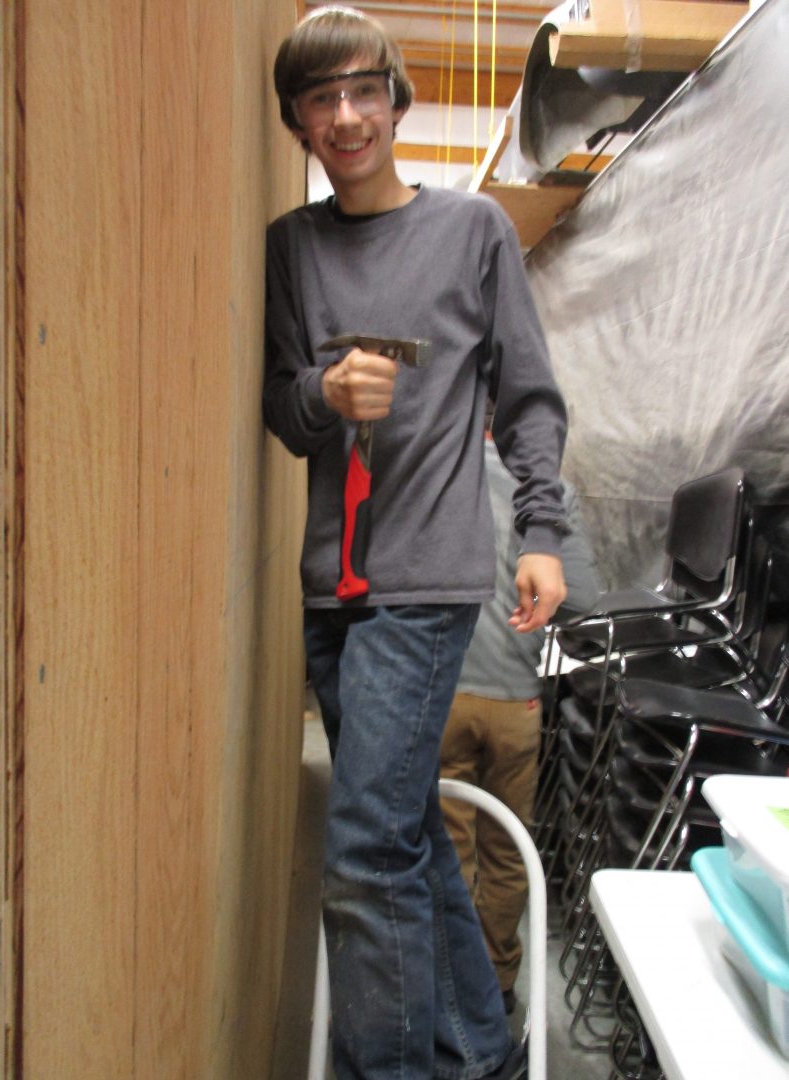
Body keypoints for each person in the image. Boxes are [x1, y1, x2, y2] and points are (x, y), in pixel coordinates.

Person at [264, 7, 569, 1078]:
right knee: (402, 834)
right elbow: (282, 409)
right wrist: (323, 390)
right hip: (331, 588)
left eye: (363, 91)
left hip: (427, 580)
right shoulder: (290, 249)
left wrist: (541, 530)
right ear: (299, 122)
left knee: (360, 848)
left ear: (398, 100)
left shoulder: (473, 230)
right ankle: (483, 1052)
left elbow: (529, 397)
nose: (346, 116)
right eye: (321, 99)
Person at [440, 444, 601, 1016]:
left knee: (448, 844)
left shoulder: (440, 468)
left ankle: (450, 979)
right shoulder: (550, 494)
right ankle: (498, 979)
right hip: (516, 702)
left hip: (444, 691)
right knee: (507, 847)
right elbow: (582, 599)